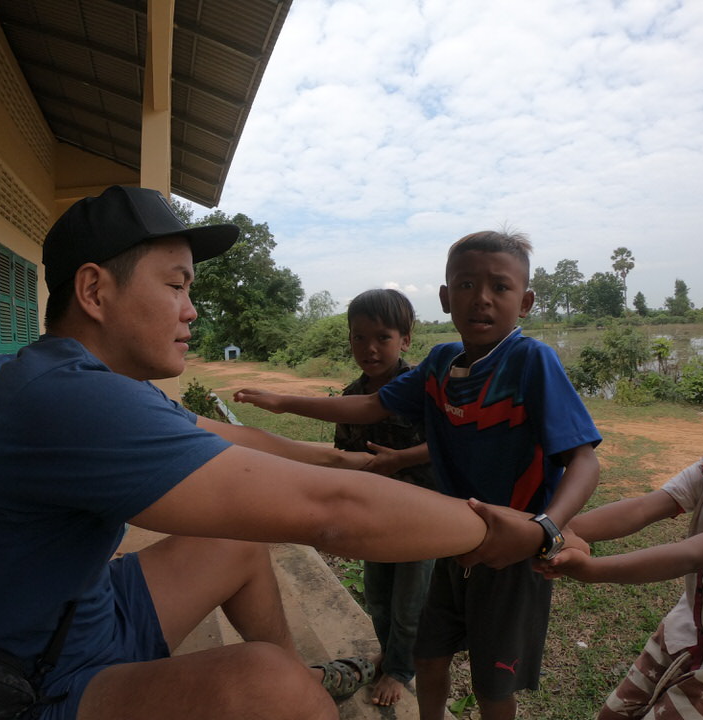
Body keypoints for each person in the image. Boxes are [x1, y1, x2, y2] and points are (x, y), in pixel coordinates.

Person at [0, 186, 495, 720]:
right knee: (268, 688)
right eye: (176, 286)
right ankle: (298, 696)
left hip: (81, 619)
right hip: (14, 688)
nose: (191, 310)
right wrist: (511, 531)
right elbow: (332, 514)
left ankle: (305, 682)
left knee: (234, 550)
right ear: (94, 290)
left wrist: (346, 460)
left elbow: (235, 437)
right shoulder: (66, 399)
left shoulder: (87, 381)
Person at [235, 230, 602, 720]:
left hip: (513, 547)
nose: (483, 299)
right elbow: (369, 404)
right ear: (447, 297)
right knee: (428, 656)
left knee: (494, 685)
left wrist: (544, 530)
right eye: (468, 285)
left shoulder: (531, 362)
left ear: (527, 301)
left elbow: (584, 459)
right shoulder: (439, 363)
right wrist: (281, 402)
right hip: (447, 538)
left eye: (501, 287)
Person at [537, 357, 703, 720]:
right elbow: (645, 508)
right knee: (612, 714)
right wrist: (561, 530)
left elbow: (690, 555)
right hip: (686, 626)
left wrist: (592, 569)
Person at [333, 288, 437, 706]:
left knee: (409, 600)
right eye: (359, 337)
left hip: (421, 516)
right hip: (372, 514)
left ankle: (400, 669)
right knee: (377, 594)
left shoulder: (425, 392)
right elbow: (341, 457)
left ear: (405, 340)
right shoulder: (350, 397)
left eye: (382, 338)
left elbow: (447, 446)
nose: (370, 348)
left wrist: (399, 461)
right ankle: (390, 653)